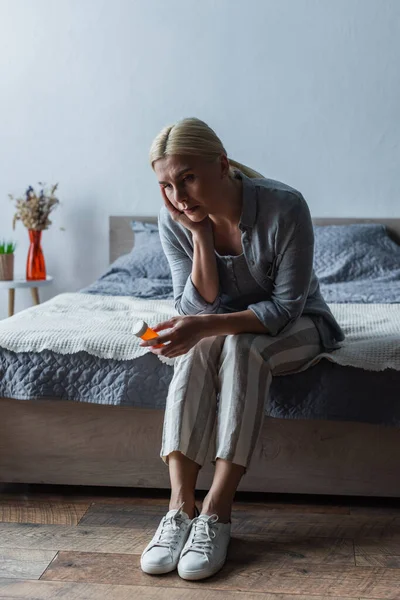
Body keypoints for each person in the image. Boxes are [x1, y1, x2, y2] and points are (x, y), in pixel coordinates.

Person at [139, 117, 345, 581]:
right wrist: (199, 236)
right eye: (167, 185)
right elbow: (193, 304)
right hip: (221, 323)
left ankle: (217, 510)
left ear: (222, 164)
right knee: (196, 350)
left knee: (242, 350)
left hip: (302, 322)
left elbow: (286, 308)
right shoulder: (175, 218)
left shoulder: (284, 207)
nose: (178, 195)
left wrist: (205, 326)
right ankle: (179, 508)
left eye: (187, 177)